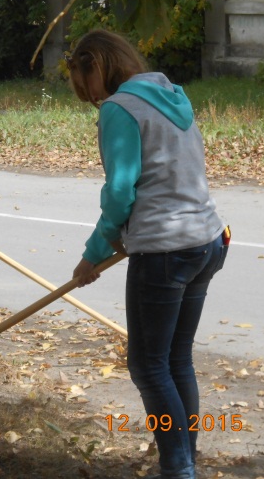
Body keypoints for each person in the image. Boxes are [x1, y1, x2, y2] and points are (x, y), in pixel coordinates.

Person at [67, 30, 228, 479]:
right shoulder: (172, 95)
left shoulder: (122, 107)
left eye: (88, 87)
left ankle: (178, 469)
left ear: (95, 65)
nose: (93, 99)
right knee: (176, 360)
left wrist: (94, 253)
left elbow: (120, 191)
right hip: (206, 241)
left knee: (148, 365)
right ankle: (185, 460)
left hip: (164, 252)